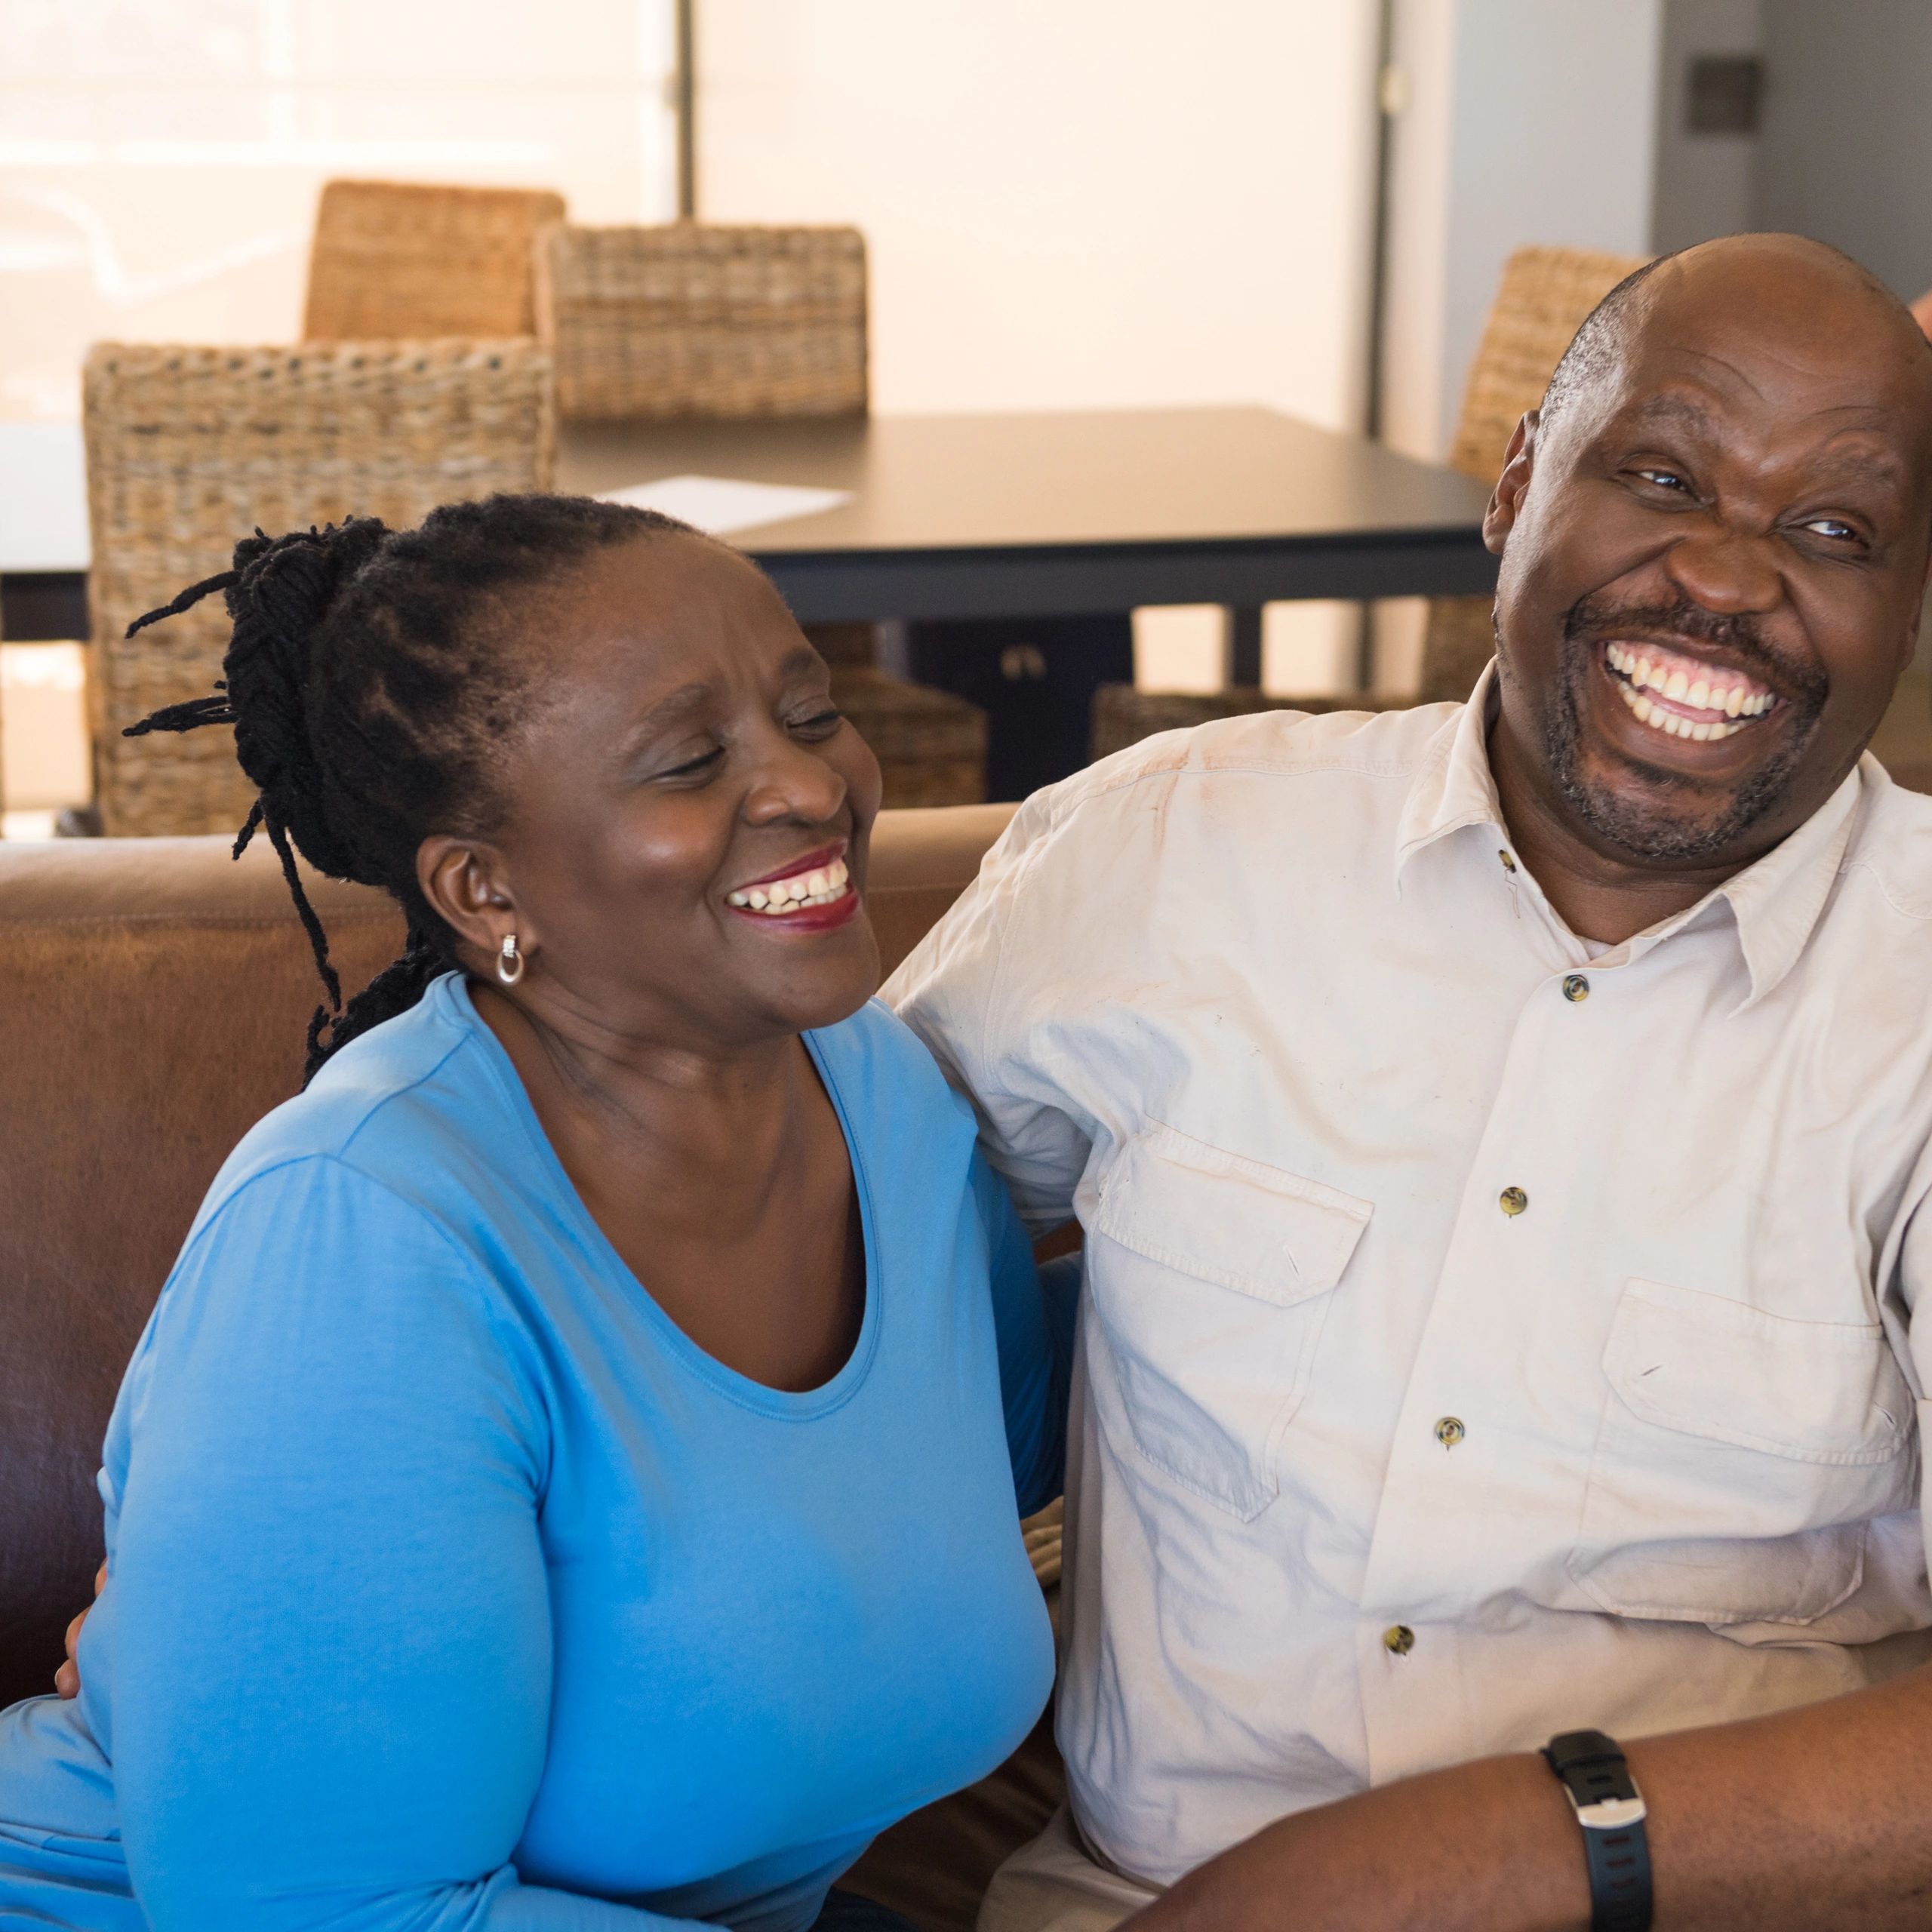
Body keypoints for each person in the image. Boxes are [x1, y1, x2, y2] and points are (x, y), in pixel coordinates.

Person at [887, 232, 1932, 1931]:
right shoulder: (1167, 850)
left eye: (1834, 530)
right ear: (1517, 482)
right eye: (1659, 473)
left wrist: (1486, 1853)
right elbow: (810, 1260)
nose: (1727, 577)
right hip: (1143, 1895)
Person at [0, 496, 1069, 1930]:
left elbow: (1014, 1436)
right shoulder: (365, 1234)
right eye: (692, 760)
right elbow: (327, 1911)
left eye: (809, 712)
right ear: (483, 886)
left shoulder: (887, 1096)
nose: (811, 788)